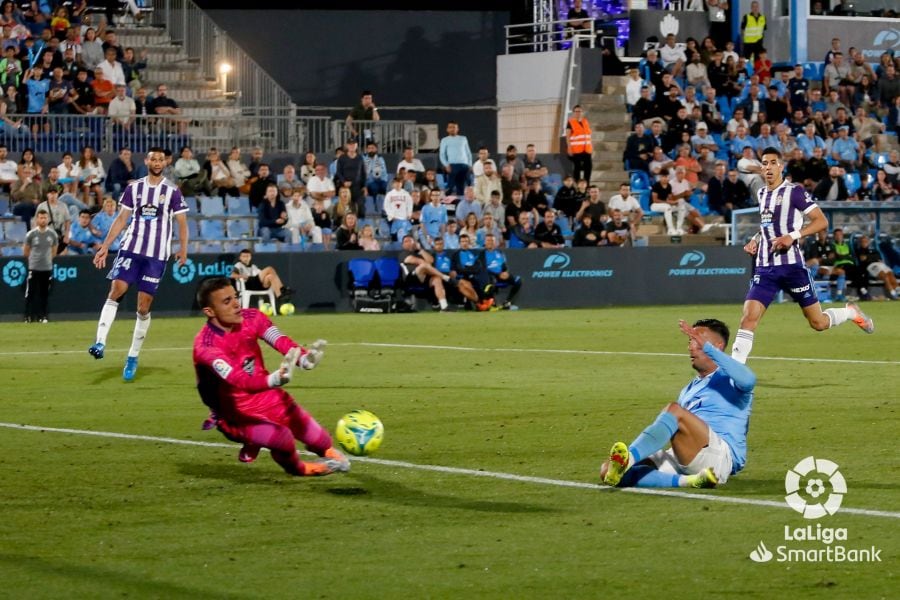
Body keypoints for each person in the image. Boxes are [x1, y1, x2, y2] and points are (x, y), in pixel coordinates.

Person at [192, 277, 348, 477]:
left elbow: (280, 340)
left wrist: (303, 358)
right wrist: (273, 380)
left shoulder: (253, 317)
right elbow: (240, 381)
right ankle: (302, 469)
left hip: (267, 397)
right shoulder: (206, 347)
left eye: (236, 297)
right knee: (281, 438)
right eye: (227, 301)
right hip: (235, 414)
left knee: (320, 439)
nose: (236, 304)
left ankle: (324, 452)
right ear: (209, 312)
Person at [731, 147, 874, 365]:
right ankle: (733, 374)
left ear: (781, 166)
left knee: (818, 323)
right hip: (765, 267)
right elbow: (767, 226)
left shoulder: (794, 192)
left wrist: (793, 236)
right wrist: (755, 239)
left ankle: (849, 312)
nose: (767, 167)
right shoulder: (761, 193)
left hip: (793, 268)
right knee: (748, 318)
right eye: (764, 163)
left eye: (772, 163)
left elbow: (821, 221)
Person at [601, 319, 754, 490]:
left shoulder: (730, 377)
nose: (691, 346)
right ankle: (691, 481)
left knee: (674, 411)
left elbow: (749, 380)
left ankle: (629, 458)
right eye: (690, 340)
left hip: (720, 457)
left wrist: (708, 349)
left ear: (716, 346)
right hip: (692, 455)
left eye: (697, 340)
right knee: (608, 470)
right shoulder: (689, 389)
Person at [87, 147, 190, 382]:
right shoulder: (135, 188)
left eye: (160, 159)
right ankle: (100, 342)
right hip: (131, 249)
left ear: (165, 162)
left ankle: (133, 356)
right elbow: (122, 218)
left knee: (143, 307)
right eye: (152, 158)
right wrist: (105, 245)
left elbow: (182, 223)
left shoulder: (172, 191)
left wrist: (183, 249)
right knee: (116, 290)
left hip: (156, 256)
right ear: (146, 161)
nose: (156, 162)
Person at [23, 209, 58, 323]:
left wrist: (47, 260)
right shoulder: (31, 234)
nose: (43, 220)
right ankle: (28, 316)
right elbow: (26, 252)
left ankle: (43, 316)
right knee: (31, 292)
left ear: (47, 219)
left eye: (45, 218)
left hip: (47, 268)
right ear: (37, 219)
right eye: (41, 218)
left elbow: (54, 251)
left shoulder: (52, 234)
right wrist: (34, 261)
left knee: (44, 293)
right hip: (34, 267)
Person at [483, 232, 521, 309]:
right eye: (488, 240)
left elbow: (504, 266)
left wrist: (505, 272)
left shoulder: (500, 253)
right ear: (485, 242)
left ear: (495, 242)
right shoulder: (482, 254)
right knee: (491, 282)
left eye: (491, 240)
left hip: (501, 275)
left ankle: (507, 302)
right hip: (490, 276)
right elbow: (482, 269)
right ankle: (492, 303)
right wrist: (496, 274)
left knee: (518, 280)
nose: (490, 242)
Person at [438, 121, 472, 197]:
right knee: (450, 187)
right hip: (452, 166)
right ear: (447, 129)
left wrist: (470, 164)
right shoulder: (444, 140)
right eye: (450, 127)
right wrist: (446, 165)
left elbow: (468, 153)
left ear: (457, 129)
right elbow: (442, 155)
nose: (452, 129)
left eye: (454, 127)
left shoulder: (463, 138)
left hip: (464, 165)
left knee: (463, 187)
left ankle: (460, 205)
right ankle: (447, 203)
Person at [566, 104, 592, 183]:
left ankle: (586, 185)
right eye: (576, 111)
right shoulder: (570, 122)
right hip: (576, 150)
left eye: (580, 111)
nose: (578, 113)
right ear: (573, 113)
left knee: (588, 167)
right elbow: (567, 136)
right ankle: (577, 185)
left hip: (587, 150)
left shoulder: (585, 121)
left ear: (582, 112)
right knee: (577, 168)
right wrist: (569, 148)